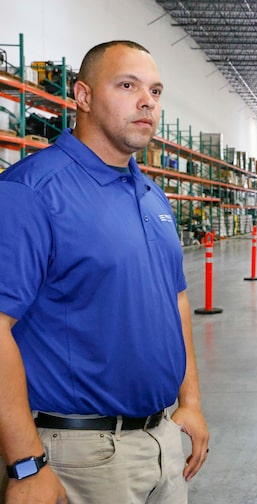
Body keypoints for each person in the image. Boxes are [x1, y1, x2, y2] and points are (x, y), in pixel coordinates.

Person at [0, 40, 209, 504]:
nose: (147, 102)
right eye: (127, 85)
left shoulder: (152, 196)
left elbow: (174, 300)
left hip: (161, 443)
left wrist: (190, 402)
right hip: (78, 456)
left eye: (155, 91)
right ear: (84, 96)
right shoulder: (31, 193)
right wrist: (25, 463)